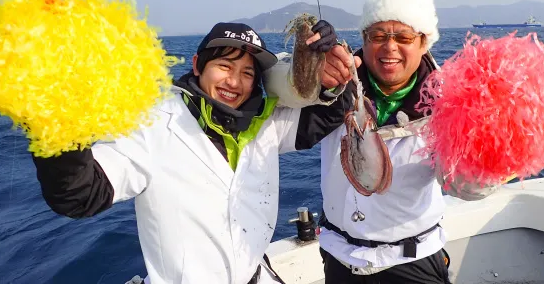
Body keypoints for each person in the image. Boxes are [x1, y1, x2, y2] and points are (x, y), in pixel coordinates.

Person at [31, 21, 355, 284]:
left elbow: (328, 113)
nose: (235, 81)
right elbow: (78, 195)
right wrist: (54, 121)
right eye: (225, 65)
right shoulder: (152, 125)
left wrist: (329, 59)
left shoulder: (264, 121)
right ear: (198, 65)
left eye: (247, 73)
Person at [276, 0, 499, 283]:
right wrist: (307, 62)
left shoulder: (449, 102)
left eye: (404, 37)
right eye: (377, 36)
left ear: (424, 43)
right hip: (340, 258)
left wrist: (489, 149)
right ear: (364, 41)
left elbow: (466, 188)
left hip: (413, 260)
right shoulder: (334, 83)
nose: (389, 46)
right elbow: (276, 92)